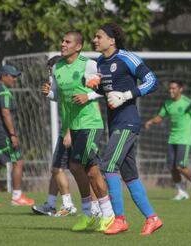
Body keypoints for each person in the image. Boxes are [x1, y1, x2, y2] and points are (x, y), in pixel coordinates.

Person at [91, 22, 163, 236]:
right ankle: (153, 218)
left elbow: (152, 80)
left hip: (127, 122)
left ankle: (119, 219)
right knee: (129, 175)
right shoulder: (100, 62)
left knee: (108, 166)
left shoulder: (127, 58)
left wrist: (127, 95)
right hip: (114, 123)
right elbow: (107, 92)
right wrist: (92, 91)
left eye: (99, 36)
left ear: (111, 40)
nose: (95, 40)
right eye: (95, 37)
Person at [51, 31, 115, 232]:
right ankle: (88, 213)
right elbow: (59, 96)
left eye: (67, 41)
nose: (62, 44)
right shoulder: (57, 67)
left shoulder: (88, 64)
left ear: (78, 47)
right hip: (74, 125)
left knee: (88, 168)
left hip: (90, 123)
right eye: (62, 40)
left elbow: (101, 89)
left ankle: (108, 214)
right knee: (76, 168)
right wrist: (49, 93)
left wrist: (88, 96)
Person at [0, 65, 35, 206]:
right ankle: (17, 196)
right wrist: (12, 134)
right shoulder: (4, 92)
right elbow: (6, 113)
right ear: (3, 76)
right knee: (18, 162)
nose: (14, 79)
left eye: (16, 76)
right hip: (1, 132)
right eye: (12, 76)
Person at [32, 55, 78, 216]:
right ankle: (50, 204)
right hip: (68, 130)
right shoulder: (62, 83)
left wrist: (68, 132)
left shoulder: (70, 81)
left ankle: (69, 205)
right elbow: (61, 99)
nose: (51, 75)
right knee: (56, 170)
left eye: (51, 71)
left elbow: (75, 108)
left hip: (73, 130)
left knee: (62, 169)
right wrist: (50, 94)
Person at [145, 80, 191, 200]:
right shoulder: (167, 103)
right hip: (172, 138)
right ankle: (181, 192)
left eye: (174, 88)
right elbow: (160, 117)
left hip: (184, 139)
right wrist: (151, 121)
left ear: (180, 89)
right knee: (172, 167)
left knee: (180, 166)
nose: (171, 91)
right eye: (170, 89)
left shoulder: (188, 103)